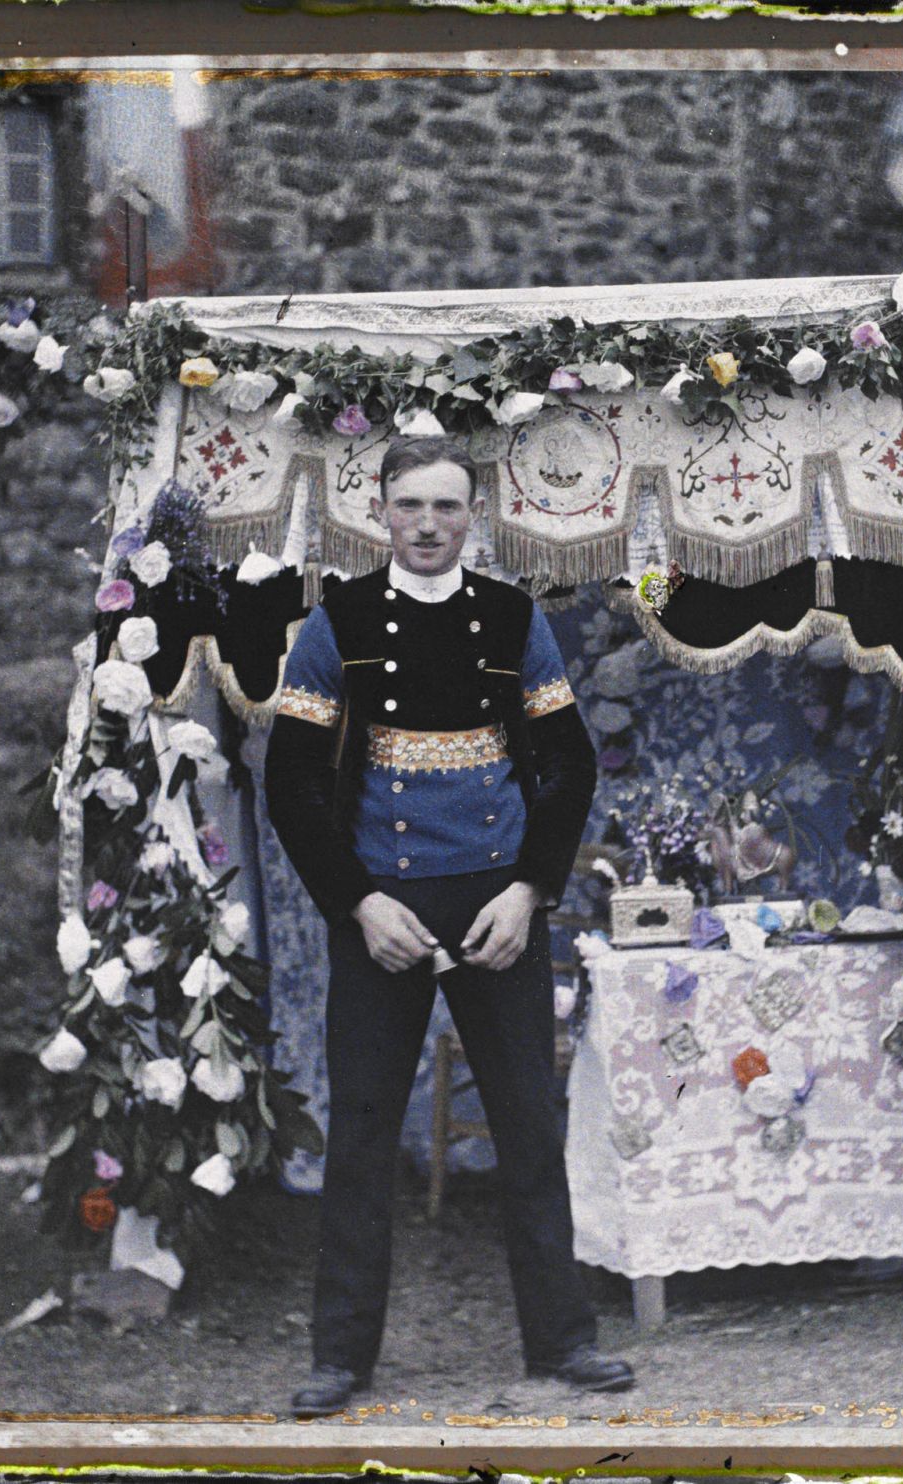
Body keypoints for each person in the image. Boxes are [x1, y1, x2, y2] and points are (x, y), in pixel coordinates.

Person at [263, 436, 634, 1418]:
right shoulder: (333, 622)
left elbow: (567, 767)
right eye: (409, 505)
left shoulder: (512, 618)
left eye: (447, 506)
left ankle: (562, 1340)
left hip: (495, 907)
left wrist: (529, 891)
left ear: (476, 515)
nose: (427, 524)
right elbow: (292, 782)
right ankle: (340, 1355)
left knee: (525, 1124)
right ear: (377, 509)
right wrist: (356, 901)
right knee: (361, 1137)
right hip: (380, 905)